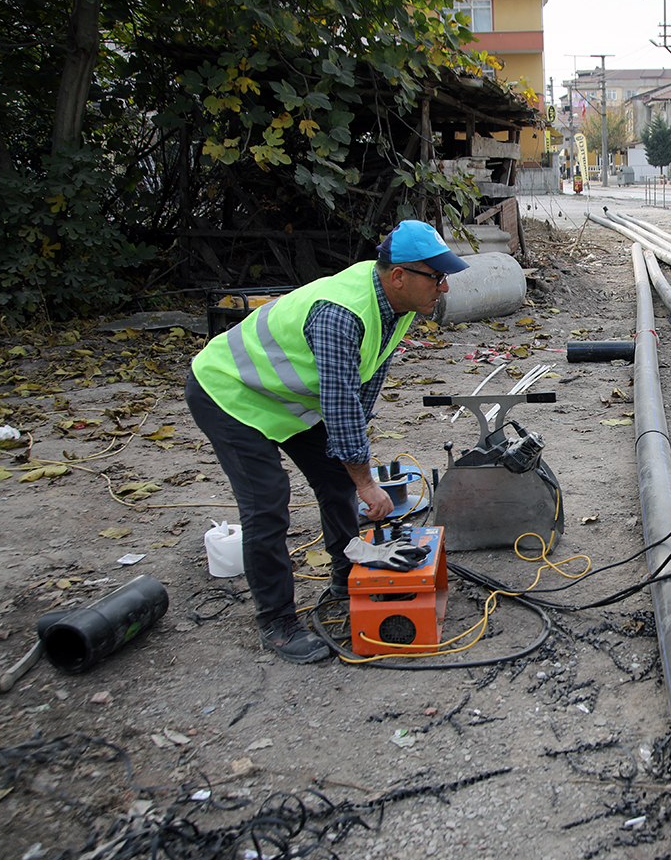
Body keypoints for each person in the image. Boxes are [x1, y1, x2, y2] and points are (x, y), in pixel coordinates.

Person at [185, 220, 468, 663]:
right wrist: (365, 481)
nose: (445, 287)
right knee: (267, 501)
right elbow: (338, 404)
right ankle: (276, 624)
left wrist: (355, 469)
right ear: (399, 276)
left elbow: (365, 384)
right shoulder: (343, 312)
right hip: (228, 393)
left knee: (336, 479)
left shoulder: (399, 305)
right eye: (436, 277)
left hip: (284, 398)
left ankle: (346, 578)